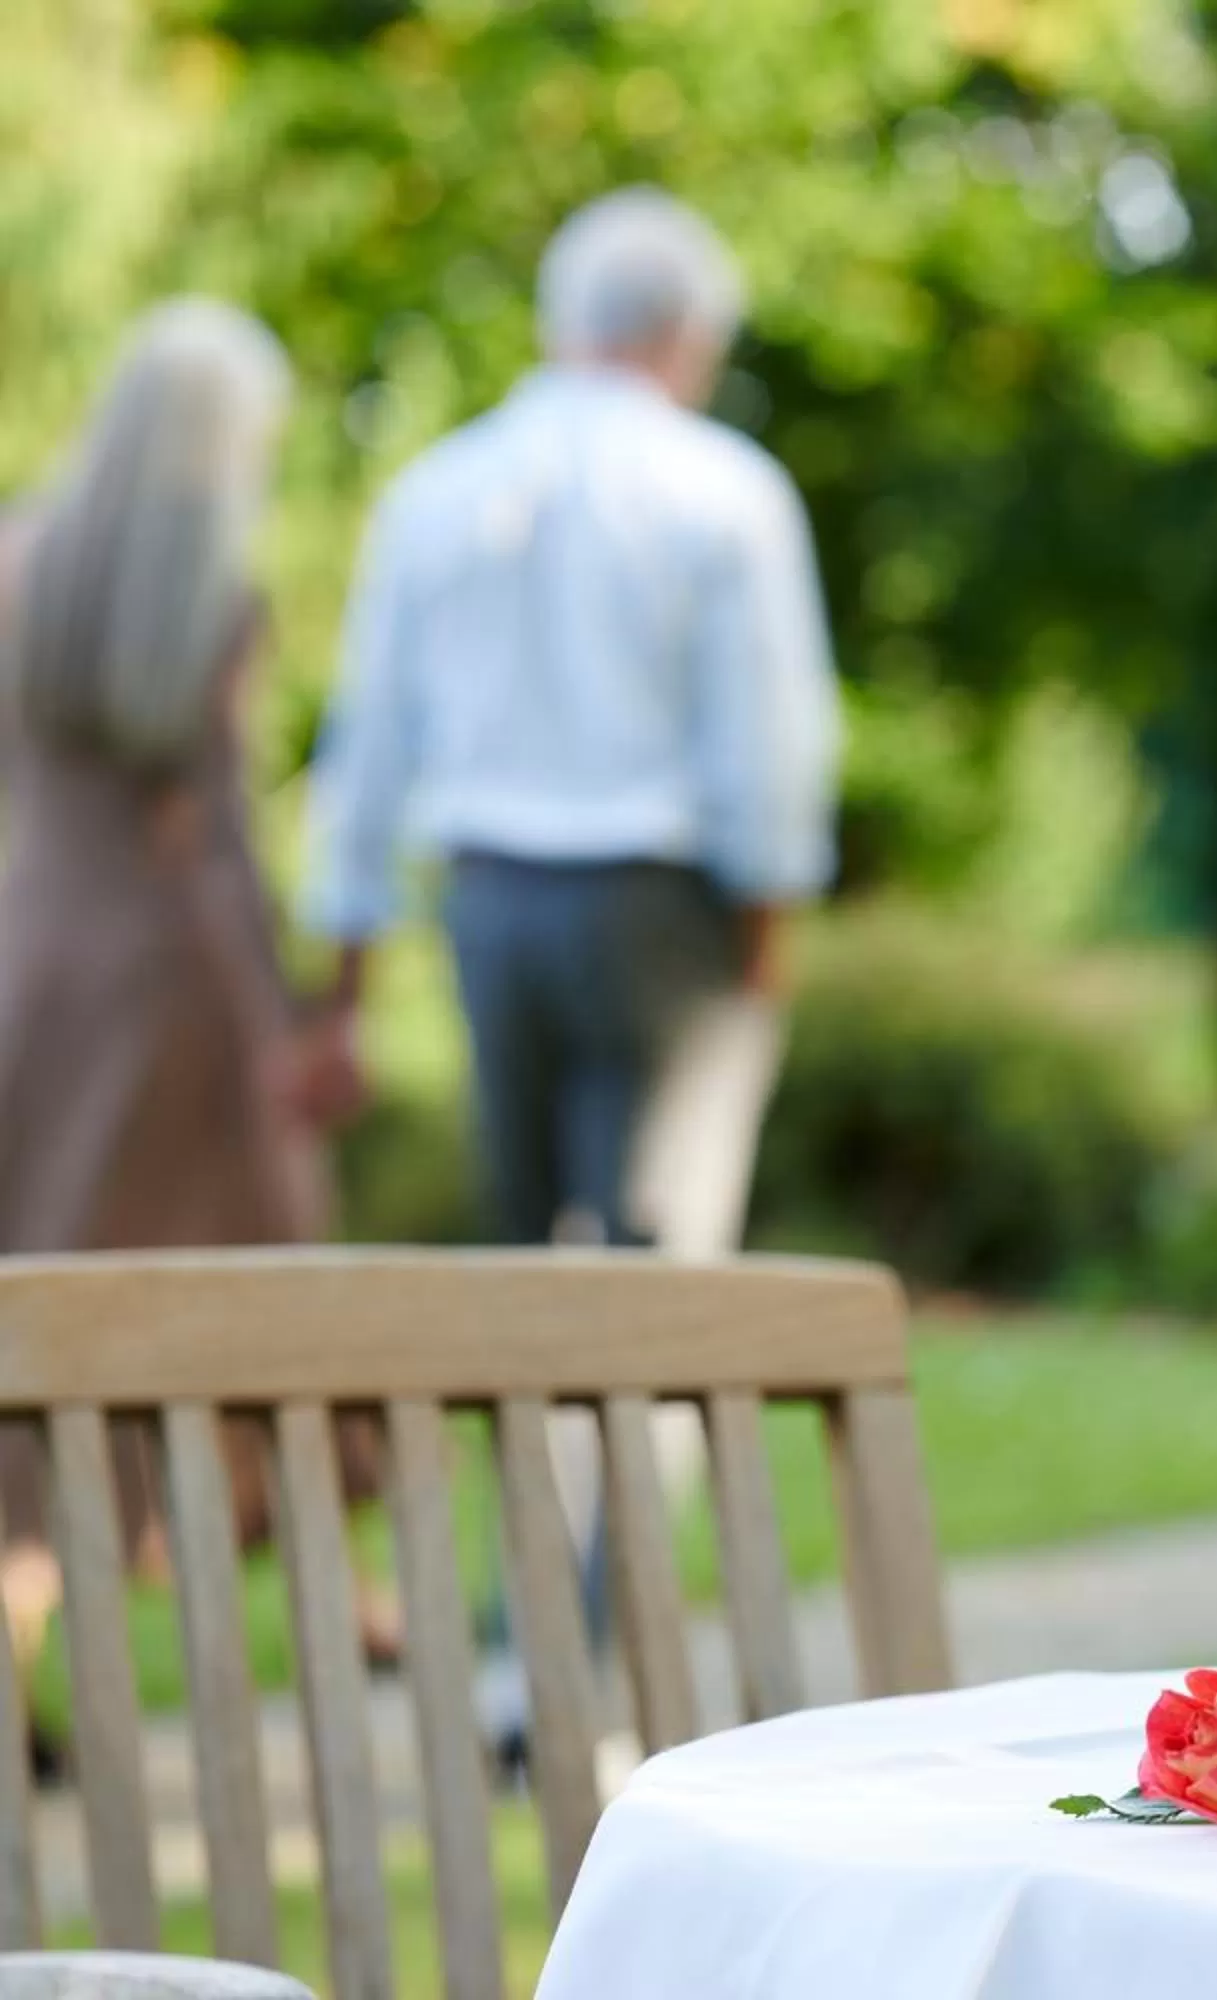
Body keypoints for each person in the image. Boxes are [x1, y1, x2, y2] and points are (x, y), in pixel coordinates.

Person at [301, 189, 841, 1739]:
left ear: (560, 321)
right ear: (688, 338)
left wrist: (342, 988)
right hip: (664, 915)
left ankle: (517, 1649)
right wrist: (765, 956)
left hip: (489, 903)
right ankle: (578, 1660)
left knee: (533, 1282)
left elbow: (367, 752)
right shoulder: (723, 491)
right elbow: (770, 752)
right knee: (658, 1292)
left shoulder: (437, 488)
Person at [0, 300, 379, 1688]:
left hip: (33, 957)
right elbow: (210, 846)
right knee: (251, 1288)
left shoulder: (18, 559)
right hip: (170, 991)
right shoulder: (207, 598)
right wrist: (282, 1027)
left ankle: (19, 1617)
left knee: (42, 1281)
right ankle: (340, 1593)